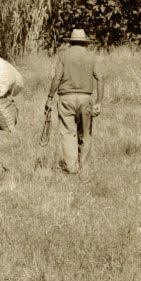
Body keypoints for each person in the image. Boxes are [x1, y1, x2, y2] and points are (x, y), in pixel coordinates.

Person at [44, 29, 104, 174]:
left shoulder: (63, 56)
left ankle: (72, 169)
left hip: (66, 99)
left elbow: (57, 78)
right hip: (86, 98)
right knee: (85, 134)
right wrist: (98, 102)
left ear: (70, 42)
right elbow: (100, 78)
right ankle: (84, 169)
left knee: (68, 133)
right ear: (85, 43)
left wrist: (50, 97)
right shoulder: (91, 56)